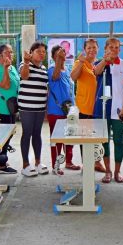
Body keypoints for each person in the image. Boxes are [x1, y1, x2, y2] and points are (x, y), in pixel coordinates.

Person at [93, 38, 123, 184]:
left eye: (116, 48)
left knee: (118, 140)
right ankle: (107, 171)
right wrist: (105, 61)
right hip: (102, 109)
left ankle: (117, 171)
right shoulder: (100, 64)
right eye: (111, 47)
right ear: (105, 49)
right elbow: (96, 72)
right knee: (105, 141)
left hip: (118, 110)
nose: (114, 50)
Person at [72, 39, 106, 175]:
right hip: (84, 107)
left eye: (94, 47)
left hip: (98, 107)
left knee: (97, 138)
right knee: (84, 138)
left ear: (98, 49)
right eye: (89, 48)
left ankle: (97, 163)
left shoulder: (100, 64)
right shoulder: (80, 62)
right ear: (85, 49)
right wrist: (80, 62)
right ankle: (86, 164)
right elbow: (73, 77)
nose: (92, 50)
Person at [18, 42, 49, 177]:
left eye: (44, 51)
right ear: (31, 52)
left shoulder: (44, 68)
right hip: (26, 107)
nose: (42, 54)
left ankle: (38, 162)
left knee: (37, 134)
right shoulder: (24, 65)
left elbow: (45, 88)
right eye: (39, 51)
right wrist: (26, 62)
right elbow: (24, 76)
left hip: (40, 108)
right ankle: (25, 164)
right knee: (27, 133)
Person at [47, 44, 79, 175]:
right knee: (57, 139)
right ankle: (56, 165)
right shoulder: (51, 69)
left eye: (63, 53)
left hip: (69, 111)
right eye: (59, 54)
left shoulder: (67, 70)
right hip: (56, 111)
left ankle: (69, 161)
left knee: (70, 137)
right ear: (54, 57)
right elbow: (54, 77)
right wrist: (59, 61)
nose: (62, 56)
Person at [0, 44, 20, 175]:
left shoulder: (12, 68)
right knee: (2, 136)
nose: (10, 55)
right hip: (0, 108)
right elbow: (5, 86)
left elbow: (17, 84)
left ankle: (1, 160)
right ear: (0, 55)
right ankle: (0, 164)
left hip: (11, 107)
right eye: (7, 52)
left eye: (11, 52)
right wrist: (6, 69)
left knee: (9, 134)